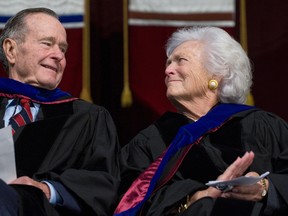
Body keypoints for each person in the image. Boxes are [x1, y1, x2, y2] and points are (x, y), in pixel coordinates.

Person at [115, 26, 288, 216]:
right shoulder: (150, 141)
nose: (168, 70)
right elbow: (126, 201)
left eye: (181, 61)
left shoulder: (260, 125)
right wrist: (197, 197)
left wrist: (264, 188)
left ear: (216, 74)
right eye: (168, 63)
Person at [0, 7, 120, 216]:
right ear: (11, 50)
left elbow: (104, 184)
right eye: (47, 44)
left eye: (63, 49)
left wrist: (48, 190)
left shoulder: (86, 118)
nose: (58, 56)